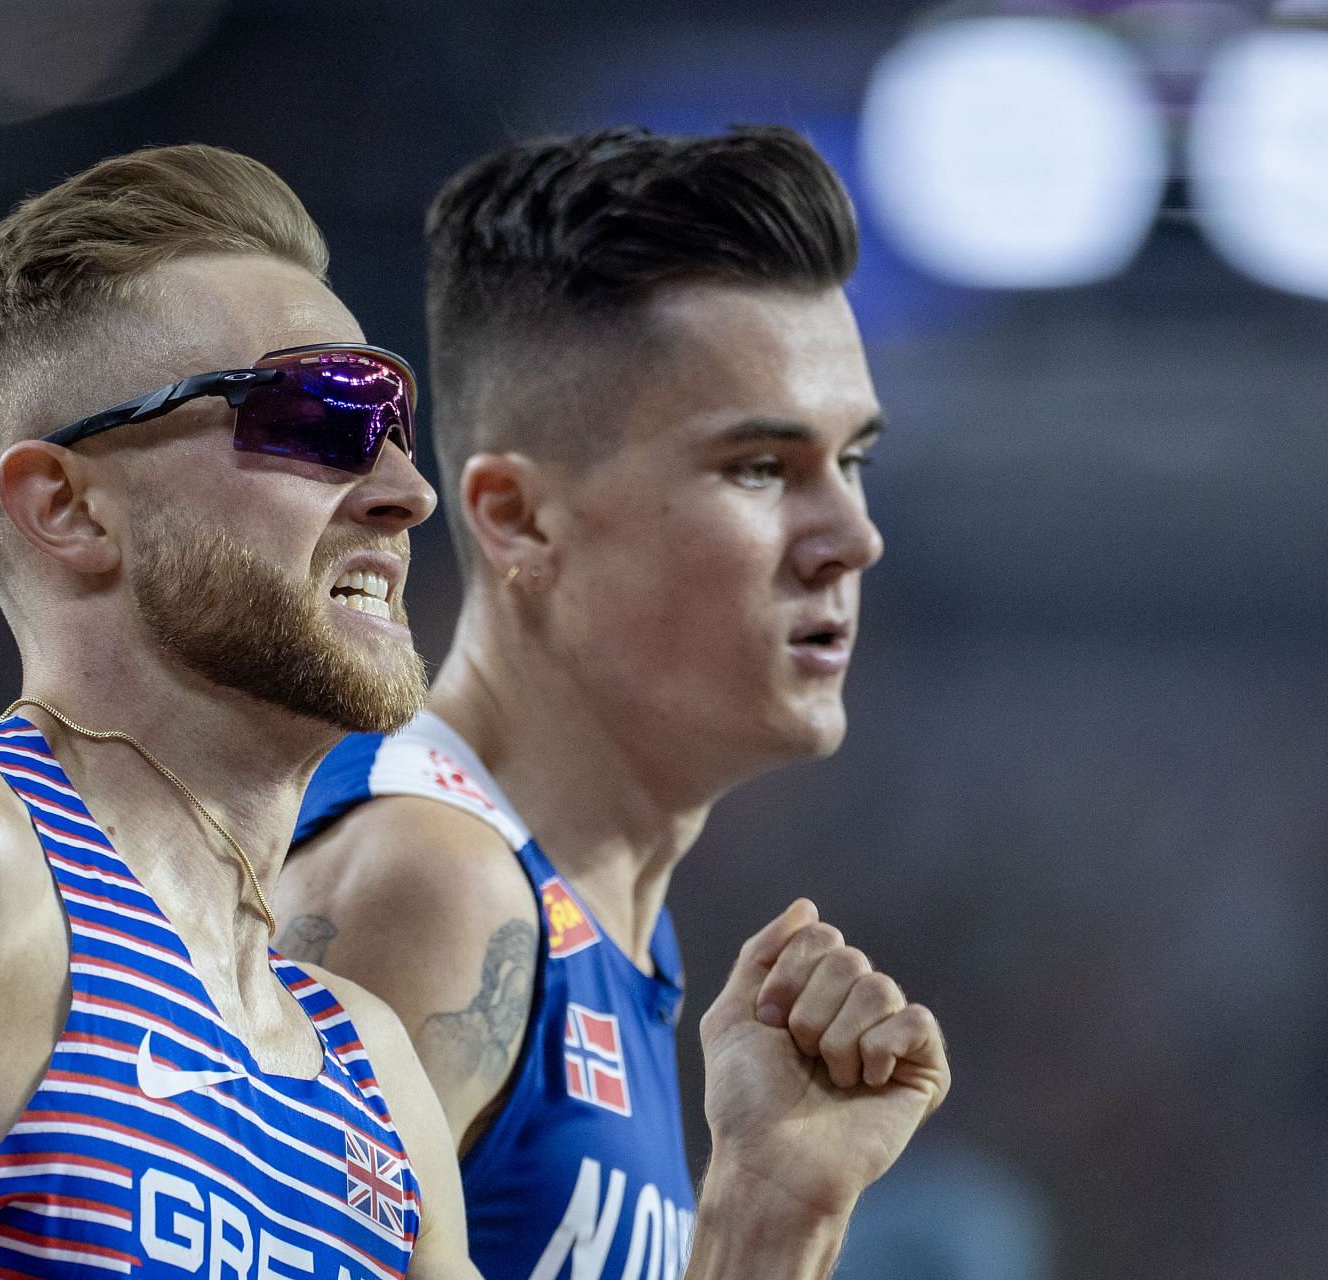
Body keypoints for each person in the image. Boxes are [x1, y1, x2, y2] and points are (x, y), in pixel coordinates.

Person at [0, 143, 946, 1280]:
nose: (402, 492)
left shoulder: (366, 1075)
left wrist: (767, 1218)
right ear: (66, 506)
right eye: (313, 418)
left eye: (391, 421)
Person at [277, 125, 913, 1280]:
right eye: (761, 467)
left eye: (852, 459)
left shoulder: (599, 919)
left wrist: (769, 1224)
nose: (851, 535)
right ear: (517, 517)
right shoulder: (436, 887)